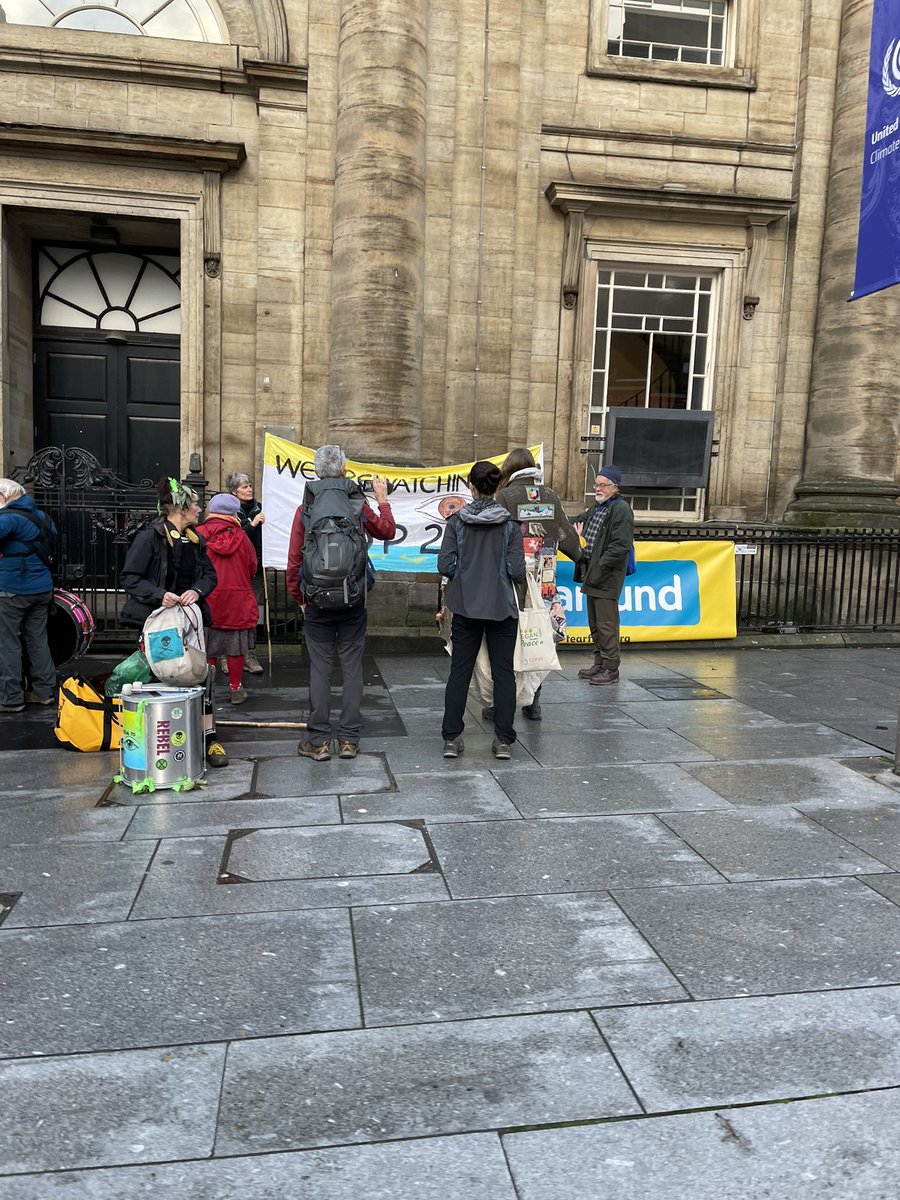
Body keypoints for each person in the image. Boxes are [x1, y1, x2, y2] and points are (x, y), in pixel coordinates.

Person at [287, 445, 395, 762]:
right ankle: (348, 740)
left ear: (317, 473)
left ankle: (319, 741)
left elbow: (294, 561)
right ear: (344, 471)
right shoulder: (356, 505)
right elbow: (387, 530)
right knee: (351, 669)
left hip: (317, 601)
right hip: (352, 601)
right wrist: (383, 500)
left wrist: (301, 599)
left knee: (320, 670)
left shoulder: (305, 509)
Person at [120, 477, 227, 766]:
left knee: (200, 675)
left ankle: (208, 740)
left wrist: (198, 590)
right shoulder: (150, 537)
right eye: (194, 503)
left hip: (190, 621)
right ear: (181, 508)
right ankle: (159, 743)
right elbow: (129, 578)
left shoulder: (196, 539)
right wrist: (159, 594)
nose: (199, 507)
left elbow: (210, 576)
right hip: (158, 623)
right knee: (162, 677)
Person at [438, 460, 526, 760]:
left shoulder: (456, 522)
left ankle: (451, 737)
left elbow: (444, 565)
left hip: (465, 605)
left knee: (459, 672)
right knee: (504, 674)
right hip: (502, 606)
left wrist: (465, 574)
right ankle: (503, 740)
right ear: (497, 486)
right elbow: (516, 570)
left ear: (471, 487)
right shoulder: (511, 526)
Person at [495, 448, 583, 721]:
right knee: (538, 639)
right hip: (544, 583)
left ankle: (501, 703)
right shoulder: (550, 497)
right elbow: (569, 541)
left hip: (512, 583)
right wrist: (581, 557)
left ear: (510, 469)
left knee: (506, 642)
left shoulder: (505, 496)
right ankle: (534, 701)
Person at [573, 465, 634, 685]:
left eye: (602, 485)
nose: (597, 488)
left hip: (606, 576)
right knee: (595, 623)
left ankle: (611, 668)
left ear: (614, 487)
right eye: (596, 484)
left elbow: (620, 546)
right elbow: (576, 521)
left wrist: (598, 568)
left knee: (607, 624)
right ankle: (599, 663)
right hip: (592, 574)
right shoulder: (597, 508)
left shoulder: (621, 509)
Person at [0, 478, 57, 713]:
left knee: (7, 644)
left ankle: (11, 698)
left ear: (3, 497)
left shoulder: (8, 518)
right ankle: (44, 692)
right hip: (41, 588)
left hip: (12, 590)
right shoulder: (41, 516)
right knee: (37, 640)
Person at [196, 493, 258, 705]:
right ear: (233, 513)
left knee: (209, 647)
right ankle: (236, 689)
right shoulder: (242, 537)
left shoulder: (199, 534)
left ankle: (208, 689)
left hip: (207, 599)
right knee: (236, 648)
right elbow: (252, 567)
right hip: (237, 601)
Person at [226, 470, 265, 675]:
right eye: (244, 486)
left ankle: (250, 655)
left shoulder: (261, 508)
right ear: (234, 492)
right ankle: (227, 655)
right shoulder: (231, 512)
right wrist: (252, 523)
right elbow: (236, 539)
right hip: (236, 571)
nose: (249, 489)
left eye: (249, 485)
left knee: (252, 614)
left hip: (255, 570)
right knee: (231, 612)